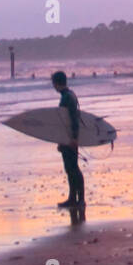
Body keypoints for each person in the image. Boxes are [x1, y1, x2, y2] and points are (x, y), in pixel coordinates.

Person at [51, 71, 84, 208]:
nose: (53, 86)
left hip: (70, 138)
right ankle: (73, 198)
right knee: (70, 168)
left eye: (53, 83)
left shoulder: (67, 98)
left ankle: (80, 199)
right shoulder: (69, 95)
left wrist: (74, 139)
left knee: (73, 168)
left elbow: (72, 120)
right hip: (68, 138)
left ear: (57, 83)